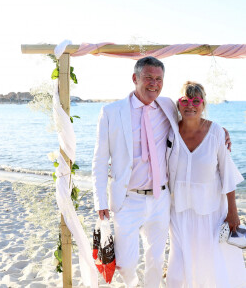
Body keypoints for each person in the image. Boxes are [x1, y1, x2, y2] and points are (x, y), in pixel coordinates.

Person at [92, 56, 180, 287]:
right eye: (148, 78)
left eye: (159, 79)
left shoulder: (169, 106)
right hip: (127, 199)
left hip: (161, 198)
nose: (154, 83)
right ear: (135, 78)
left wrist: (221, 133)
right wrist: (100, 199)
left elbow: (194, 117)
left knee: (156, 258)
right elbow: (100, 160)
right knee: (126, 262)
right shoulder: (111, 111)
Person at [166, 81, 246, 288]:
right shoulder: (170, 131)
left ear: (203, 104)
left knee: (211, 259)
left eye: (196, 100)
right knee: (179, 261)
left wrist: (233, 212)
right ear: (178, 103)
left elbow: (227, 174)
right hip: (179, 210)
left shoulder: (216, 132)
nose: (190, 105)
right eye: (185, 100)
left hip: (211, 211)